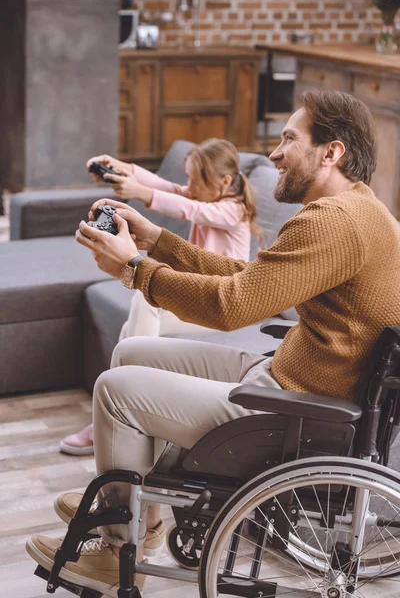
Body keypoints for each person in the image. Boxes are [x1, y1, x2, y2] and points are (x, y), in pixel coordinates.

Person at [27, 90, 400, 597]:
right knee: (130, 353)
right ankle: (141, 517)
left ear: (331, 152)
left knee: (115, 389)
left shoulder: (333, 222)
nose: (273, 154)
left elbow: (232, 307)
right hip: (295, 381)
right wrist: (158, 242)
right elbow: (251, 280)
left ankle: (119, 549)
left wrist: (135, 270)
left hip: (296, 411)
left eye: (289, 138)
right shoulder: (360, 211)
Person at [59, 138, 261, 456]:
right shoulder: (205, 195)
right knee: (133, 337)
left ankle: (116, 413)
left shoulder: (232, 211)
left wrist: (141, 194)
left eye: (195, 179)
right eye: (188, 178)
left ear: (223, 182)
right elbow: (170, 188)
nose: (188, 186)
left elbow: (188, 206)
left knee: (145, 301)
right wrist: (127, 170)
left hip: (225, 309)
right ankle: (115, 413)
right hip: (201, 301)